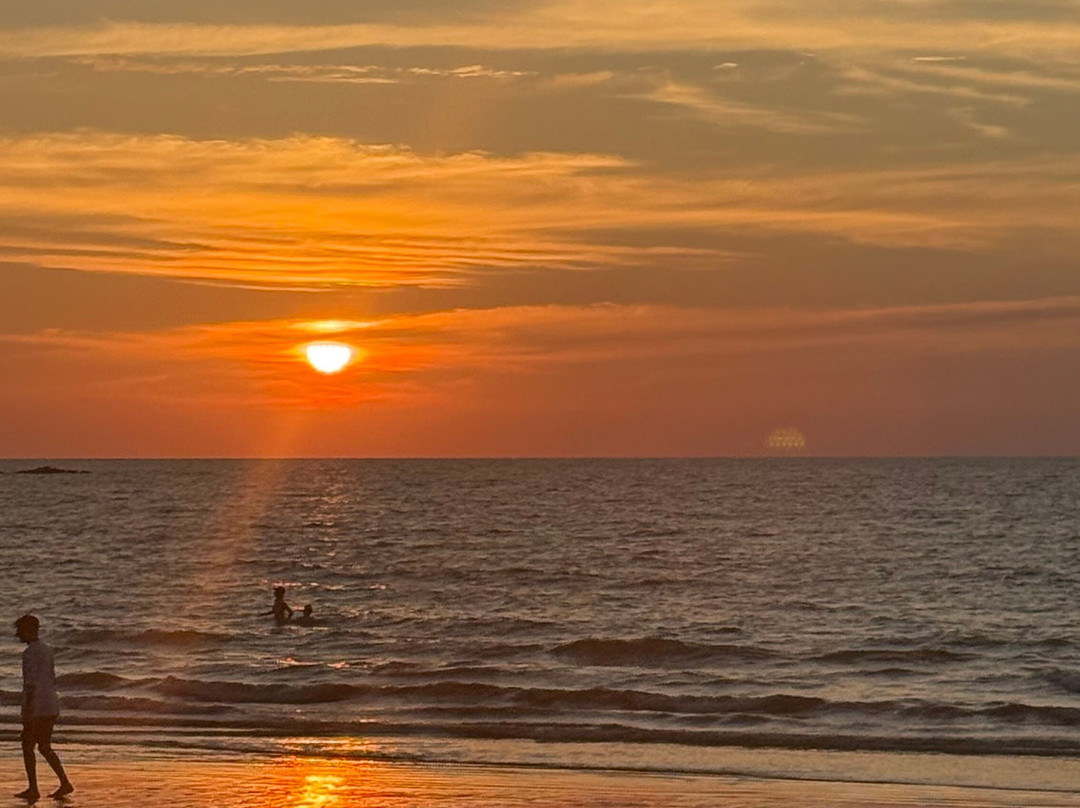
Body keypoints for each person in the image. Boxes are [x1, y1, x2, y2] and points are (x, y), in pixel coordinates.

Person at [14, 614, 73, 800]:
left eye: (20, 630)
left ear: (29, 630)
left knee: (28, 745)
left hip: (37, 706)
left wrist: (27, 711)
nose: (17, 634)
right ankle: (64, 782)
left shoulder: (29, 653)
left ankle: (34, 788)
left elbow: (30, 683)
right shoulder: (47, 649)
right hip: (51, 703)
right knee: (44, 746)